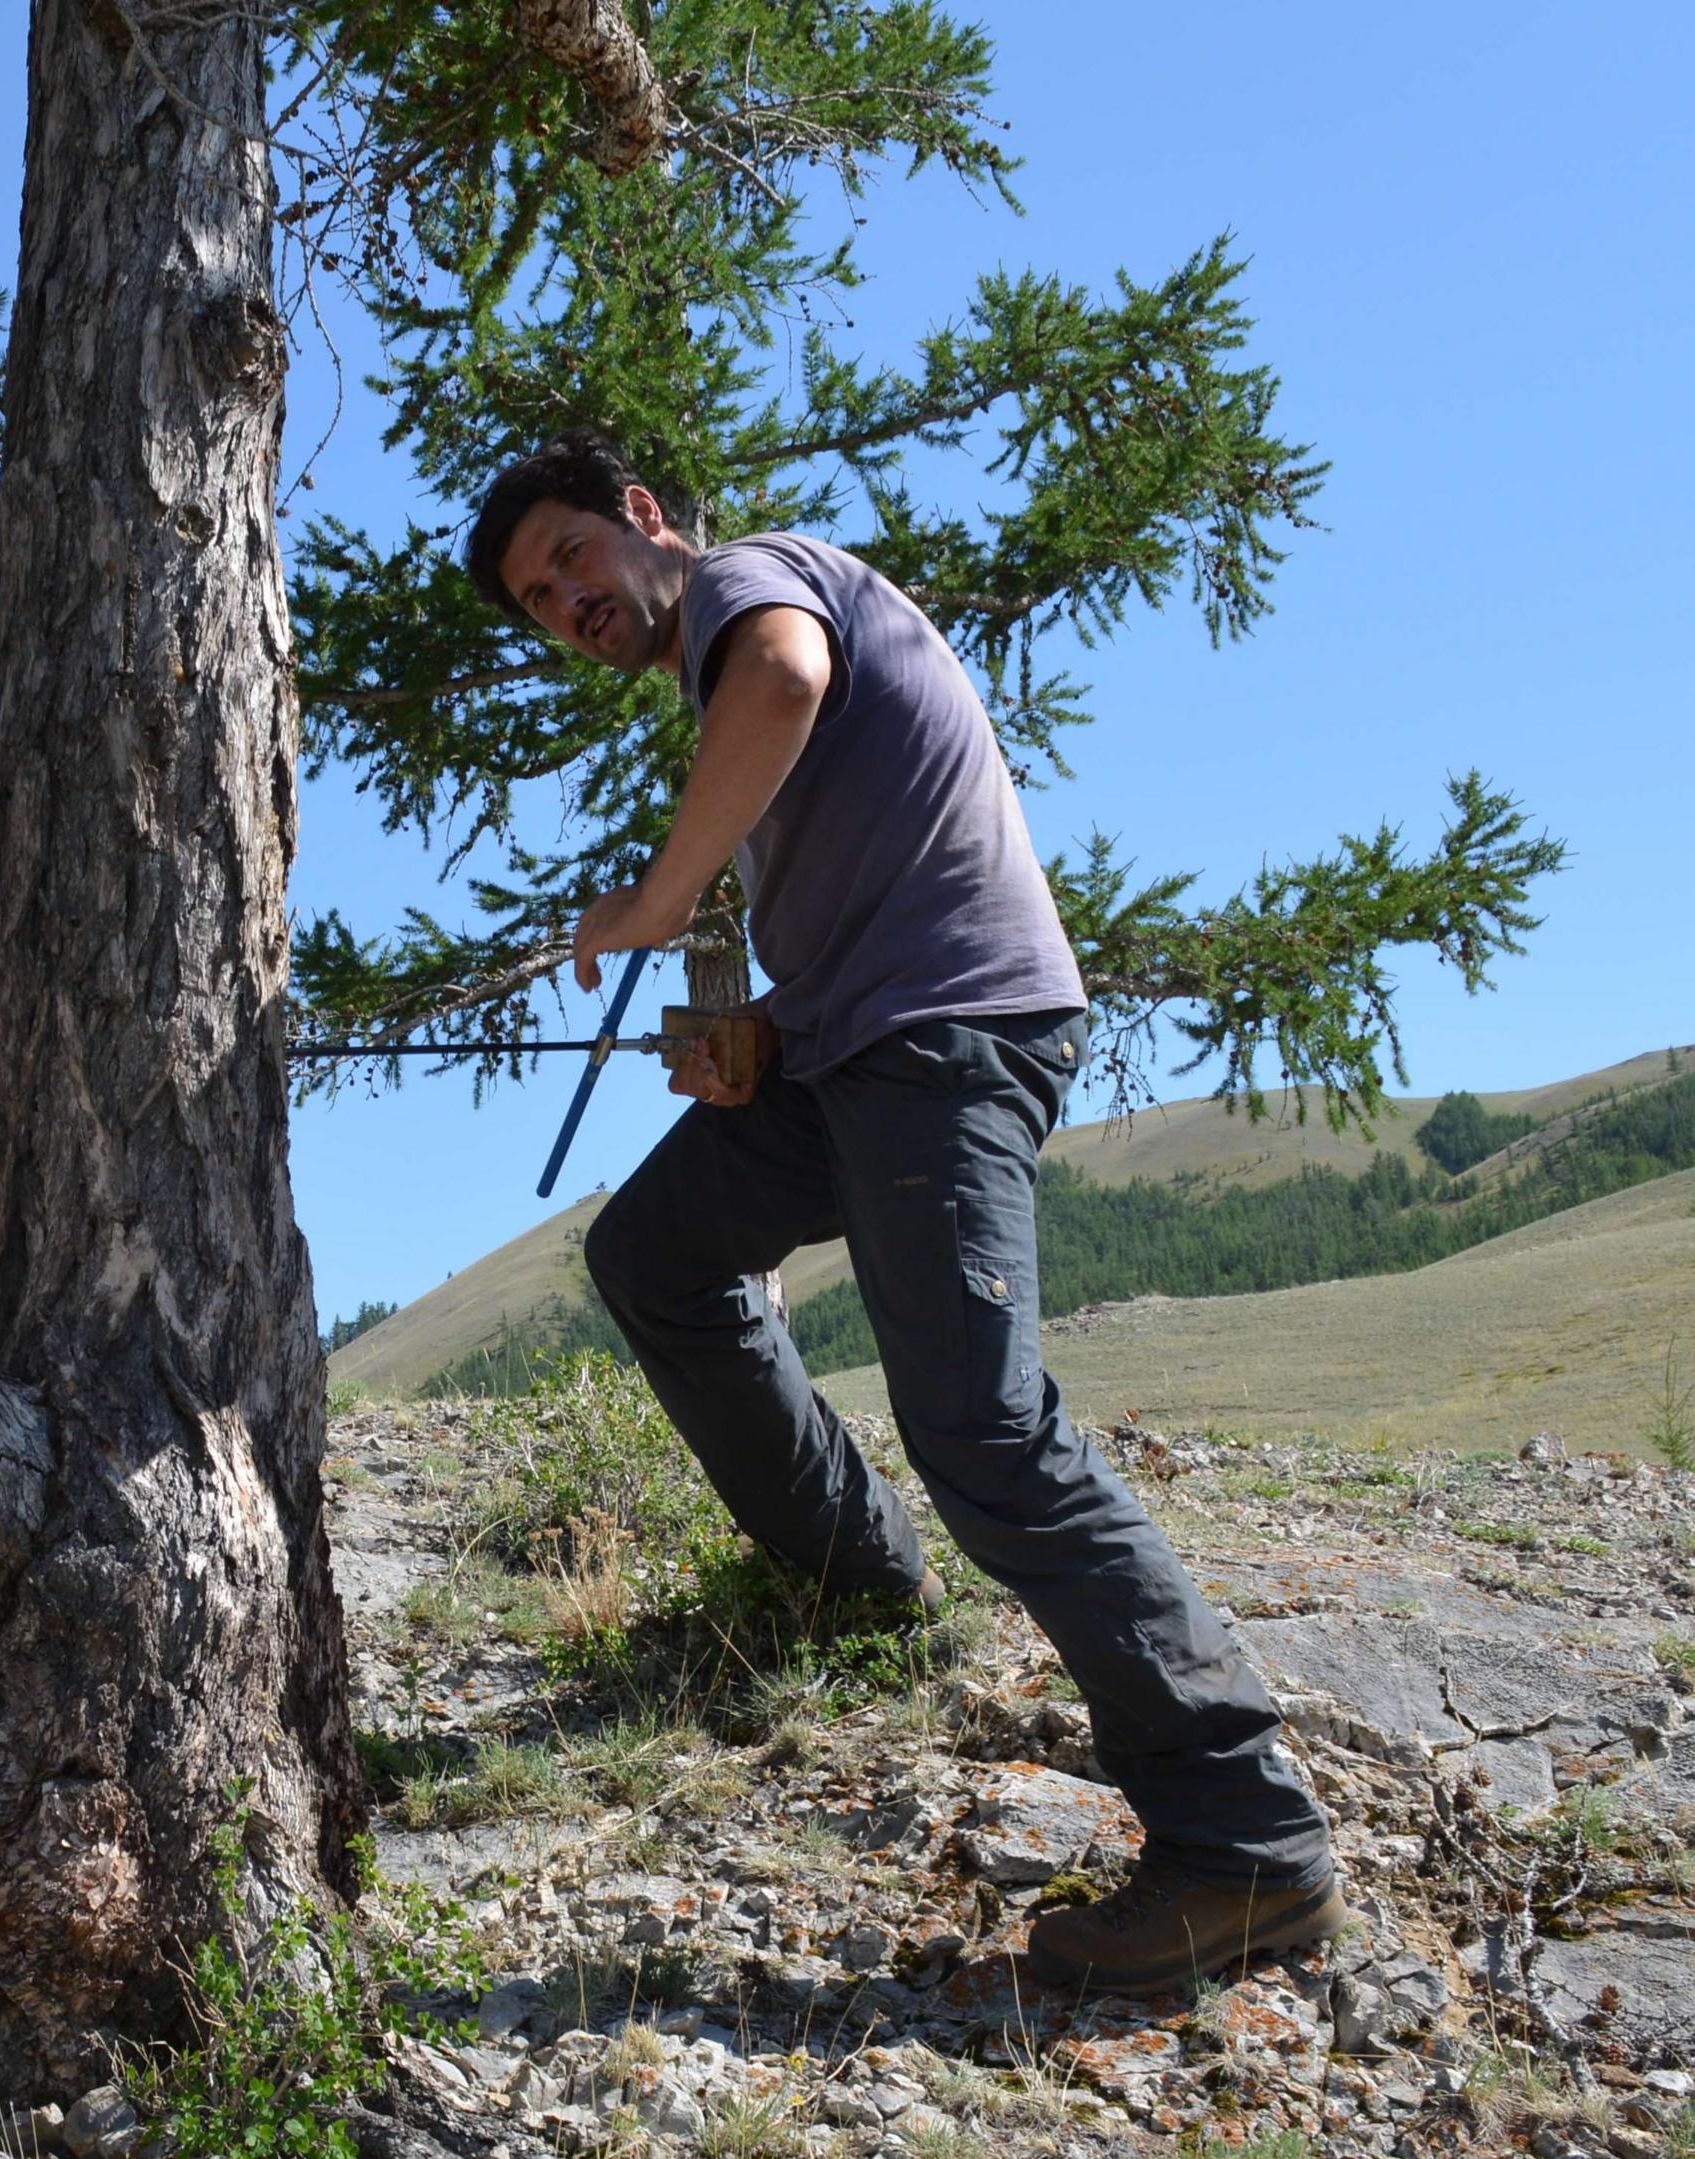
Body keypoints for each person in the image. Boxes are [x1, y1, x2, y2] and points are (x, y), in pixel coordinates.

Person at [464, 432, 1348, 1993]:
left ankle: (1245, 1850)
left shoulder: (756, 585)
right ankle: (857, 1580)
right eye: (541, 601)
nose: (568, 603)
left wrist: (659, 903)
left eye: (573, 559)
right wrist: (763, 1035)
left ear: (646, 521)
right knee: (655, 1255)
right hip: (855, 1050)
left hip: (944, 1047)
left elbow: (790, 684)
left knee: (986, 1433)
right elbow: (836, 850)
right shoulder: (718, 652)